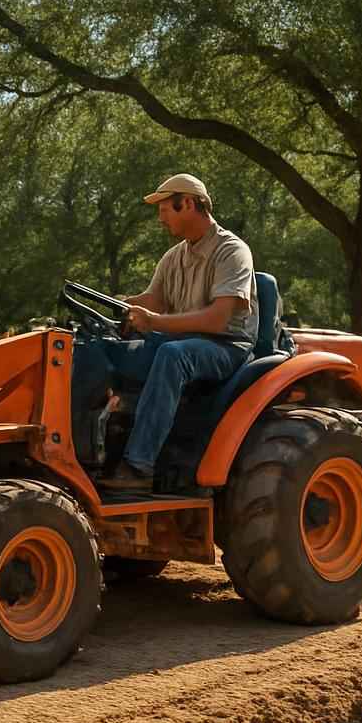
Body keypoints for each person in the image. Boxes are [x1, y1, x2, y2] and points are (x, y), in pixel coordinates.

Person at [99, 173, 258, 491]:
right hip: (181, 340)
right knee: (101, 349)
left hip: (226, 346)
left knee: (172, 355)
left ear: (186, 203)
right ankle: (94, 450)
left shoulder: (232, 251)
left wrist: (154, 322)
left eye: (164, 209)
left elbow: (216, 320)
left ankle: (139, 466)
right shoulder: (174, 257)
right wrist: (113, 304)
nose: (160, 218)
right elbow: (153, 301)